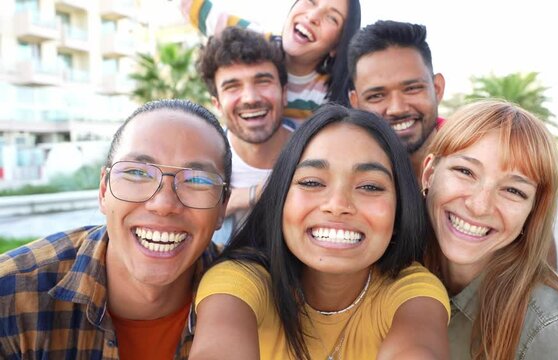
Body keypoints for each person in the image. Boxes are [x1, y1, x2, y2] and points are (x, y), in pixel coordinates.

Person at [189, 104, 450, 360]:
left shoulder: (413, 292)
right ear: (280, 200)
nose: (337, 205)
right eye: (312, 182)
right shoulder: (239, 281)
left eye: (370, 187)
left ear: (400, 210)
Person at [0, 99, 231, 359]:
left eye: (197, 180)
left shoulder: (255, 296)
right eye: (137, 173)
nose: (164, 204)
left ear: (223, 206)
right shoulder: (12, 294)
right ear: (103, 191)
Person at [348, 19, 558, 269]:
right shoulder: (348, 167)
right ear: (355, 102)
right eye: (377, 95)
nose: (397, 108)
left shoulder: (480, 146)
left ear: (437, 88)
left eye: (412, 88)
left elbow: (538, 262)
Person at [421, 99, 558, 359]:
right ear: (429, 174)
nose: (479, 205)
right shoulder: (386, 279)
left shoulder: (550, 329)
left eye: (513, 190)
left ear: (532, 211)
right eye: (465, 171)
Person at [181, 0, 361, 124]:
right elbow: (202, 12)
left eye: (332, 18)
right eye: (310, 0)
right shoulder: (255, 41)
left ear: (338, 45)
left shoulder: (329, 95)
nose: (313, 16)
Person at [198, 26, 292, 244]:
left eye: (263, 81)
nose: (250, 98)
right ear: (217, 104)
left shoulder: (314, 155)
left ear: (284, 93)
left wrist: (249, 195)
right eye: (233, 86)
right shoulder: (200, 165)